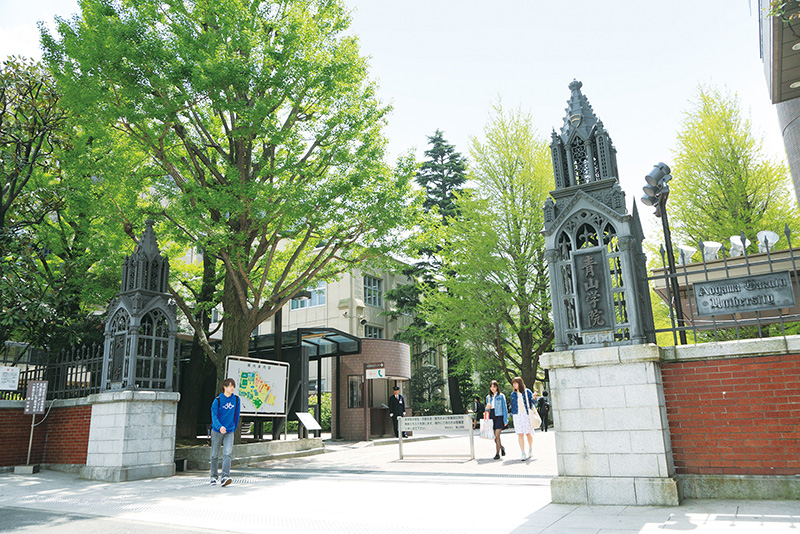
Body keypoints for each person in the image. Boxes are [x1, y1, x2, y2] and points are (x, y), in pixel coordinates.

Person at [210, 378, 240, 487]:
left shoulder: (236, 399)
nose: (232, 388)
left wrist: (233, 427)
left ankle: (225, 476)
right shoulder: (217, 400)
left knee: (227, 453)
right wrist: (220, 426)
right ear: (224, 387)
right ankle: (213, 476)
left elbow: (236, 415)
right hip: (217, 431)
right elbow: (214, 416)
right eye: (230, 386)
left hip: (229, 431)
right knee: (214, 454)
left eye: (233, 386)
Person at [509, 377, 536, 461]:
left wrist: (534, 398)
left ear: (520, 383)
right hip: (517, 415)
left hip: (526, 415)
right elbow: (512, 406)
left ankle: (530, 448)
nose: (514, 385)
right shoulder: (513, 394)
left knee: (528, 433)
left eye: (515, 383)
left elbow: (534, 403)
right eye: (513, 383)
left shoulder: (527, 392)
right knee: (520, 434)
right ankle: (522, 452)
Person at [484, 380, 507, 460]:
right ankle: (501, 447)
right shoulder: (488, 397)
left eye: (494, 386)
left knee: (497, 436)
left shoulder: (501, 396)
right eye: (491, 387)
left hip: (499, 416)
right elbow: (486, 409)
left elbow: (505, 408)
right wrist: (487, 407)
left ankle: (497, 454)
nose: (492, 388)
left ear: (497, 387)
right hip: (492, 415)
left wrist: (505, 419)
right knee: (495, 437)